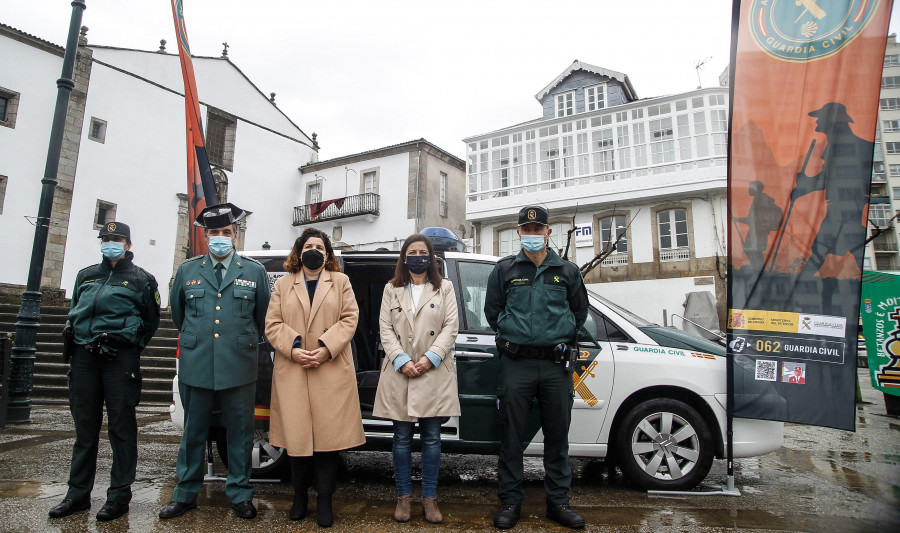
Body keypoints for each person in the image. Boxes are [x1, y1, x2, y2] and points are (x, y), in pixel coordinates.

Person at [160, 203, 271, 520]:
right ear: (205, 236)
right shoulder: (187, 271)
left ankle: (240, 493)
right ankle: (185, 494)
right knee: (193, 432)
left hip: (238, 364)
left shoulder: (253, 272)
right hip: (197, 363)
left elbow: (262, 317)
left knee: (240, 433)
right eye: (214, 233)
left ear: (234, 235)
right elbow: (179, 317)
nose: (220, 237)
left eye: (226, 232)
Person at [484, 205, 588, 530]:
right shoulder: (504, 271)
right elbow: (492, 312)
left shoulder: (568, 271)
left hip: (556, 366)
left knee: (558, 437)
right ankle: (511, 502)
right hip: (518, 363)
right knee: (512, 437)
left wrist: (558, 331)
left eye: (537, 229)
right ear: (518, 233)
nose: (532, 235)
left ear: (548, 232)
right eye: (526, 230)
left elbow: (579, 313)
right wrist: (512, 330)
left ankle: (558, 503)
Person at [49, 221, 160, 522]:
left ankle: (119, 496)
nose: (111, 242)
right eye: (106, 238)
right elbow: (76, 307)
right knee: (85, 429)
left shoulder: (142, 279)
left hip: (119, 359)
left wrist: (130, 346)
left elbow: (151, 321)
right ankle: (77, 495)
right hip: (84, 357)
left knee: (121, 429)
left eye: (117, 238)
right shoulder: (86, 275)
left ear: (128, 243)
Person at [264, 228, 364, 527]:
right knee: (296, 441)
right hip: (293, 368)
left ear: (328, 253)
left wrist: (324, 348)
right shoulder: (283, 284)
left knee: (326, 442)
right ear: (298, 251)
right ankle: (298, 497)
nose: (314, 251)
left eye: (320, 247)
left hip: (329, 369)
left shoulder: (341, 282)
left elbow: (350, 319)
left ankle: (324, 500)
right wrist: (294, 348)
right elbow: (272, 323)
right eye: (308, 246)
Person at [373, 234, 460, 524]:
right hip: (401, 372)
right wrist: (401, 359)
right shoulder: (392, 289)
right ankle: (403, 498)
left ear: (431, 257)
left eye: (424, 252)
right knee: (400, 438)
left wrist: (430, 358)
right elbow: (385, 328)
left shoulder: (444, 287)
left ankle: (430, 499)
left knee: (432, 439)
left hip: (432, 371)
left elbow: (451, 327)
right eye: (413, 252)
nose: (418, 256)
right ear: (404, 257)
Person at [790, 102, 873, 278]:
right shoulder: (837, 144)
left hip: (843, 207)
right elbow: (828, 177)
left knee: (820, 248)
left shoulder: (845, 145)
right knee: (848, 245)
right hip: (846, 207)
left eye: (821, 117)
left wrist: (804, 186)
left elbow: (832, 179)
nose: (817, 121)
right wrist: (805, 185)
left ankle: (800, 286)